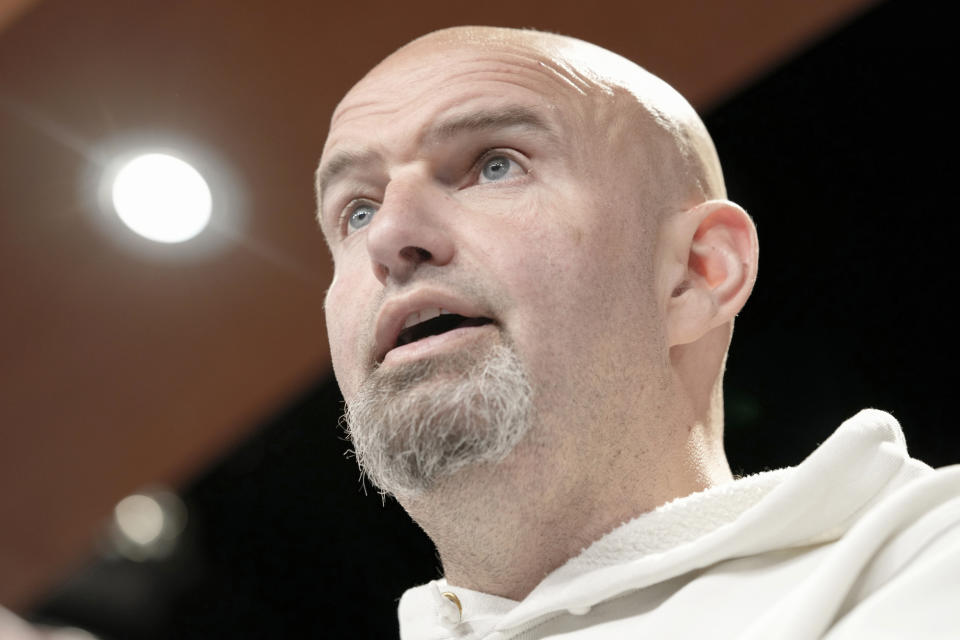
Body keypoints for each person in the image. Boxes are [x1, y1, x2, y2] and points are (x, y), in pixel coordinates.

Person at [315, 26, 960, 639]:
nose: (389, 236)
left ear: (696, 274)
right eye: (357, 210)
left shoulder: (930, 571)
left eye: (494, 166)